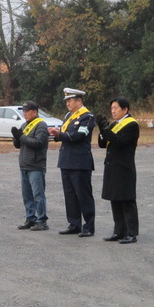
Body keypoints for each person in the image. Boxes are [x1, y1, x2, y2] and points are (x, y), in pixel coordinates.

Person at [49, 88, 96, 237]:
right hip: (66, 160)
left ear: (79, 100)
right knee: (70, 195)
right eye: (67, 101)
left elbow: (79, 136)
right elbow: (65, 135)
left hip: (80, 161)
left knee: (83, 195)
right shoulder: (69, 116)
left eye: (70, 100)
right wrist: (57, 134)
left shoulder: (87, 116)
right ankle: (74, 224)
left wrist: (60, 134)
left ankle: (88, 226)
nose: (67, 103)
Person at [96, 97, 140, 244]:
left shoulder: (131, 125)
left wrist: (106, 129)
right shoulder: (115, 124)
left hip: (124, 167)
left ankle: (131, 233)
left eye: (116, 108)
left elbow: (119, 141)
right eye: (112, 108)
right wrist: (102, 129)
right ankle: (119, 231)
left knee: (127, 201)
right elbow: (103, 143)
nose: (113, 111)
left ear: (125, 109)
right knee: (115, 200)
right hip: (112, 167)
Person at [11, 101, 50, 231]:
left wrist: (21, 137)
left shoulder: (41, 125)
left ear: (35, 112)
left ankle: (42, 220)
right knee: (27, 195)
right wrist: (16, 138)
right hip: (24, 164)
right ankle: (30, 218)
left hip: (35, 165)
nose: (25, 113)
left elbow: (38, 143)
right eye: (24, 111)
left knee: (38, 195)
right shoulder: (24, 125)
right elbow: (19, 145)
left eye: (27, 111)